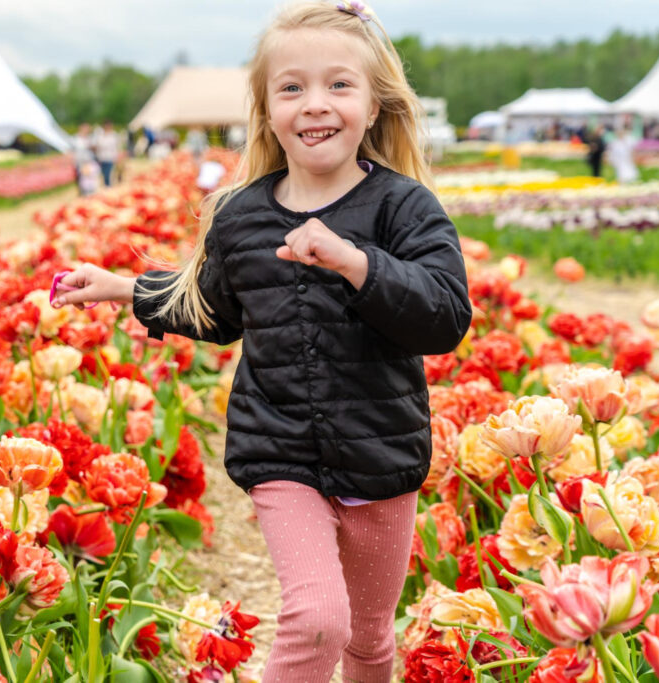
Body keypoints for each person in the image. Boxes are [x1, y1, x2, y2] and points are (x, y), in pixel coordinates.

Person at [52, 2, 471, 680]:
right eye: (292, 87)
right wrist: (121, 287)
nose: (315, 104)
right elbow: (215, 311)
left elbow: (446, 316)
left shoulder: (404, 207)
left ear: (373, 106)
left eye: (339, 85)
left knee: (367, 638)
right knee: (317, 620)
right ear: (266, 108)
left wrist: (354, 260)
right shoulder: (241, 215)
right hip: (280, 451)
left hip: (381, 451)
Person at [69, 124, 96, 196]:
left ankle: (89, 195)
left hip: (89, 162)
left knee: (89, 181)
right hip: (79, 162)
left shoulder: (90, 138)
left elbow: (94, 149)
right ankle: (82, 195)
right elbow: (71, 151)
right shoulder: (75, 139)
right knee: (81, 181)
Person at [93, 121, 121, 187]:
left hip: (110, 158)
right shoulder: (100, 135)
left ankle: (109, 188)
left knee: (108, 176)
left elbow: (116, 147)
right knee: (103, 176)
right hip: (101, 158)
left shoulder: (114, 135)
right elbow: (97, 146)